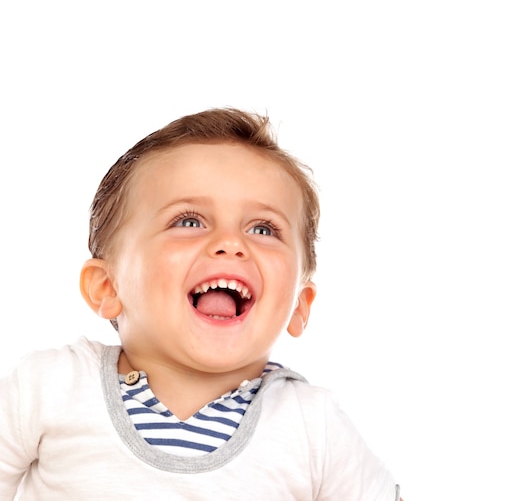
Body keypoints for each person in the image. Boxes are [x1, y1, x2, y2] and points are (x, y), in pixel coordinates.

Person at [0, 107, 402, 500]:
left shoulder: (314, 426)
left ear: (299, 305)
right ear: (108, 287)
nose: (231, 243)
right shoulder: (47, 387)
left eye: (263, 228)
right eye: (189, 221)